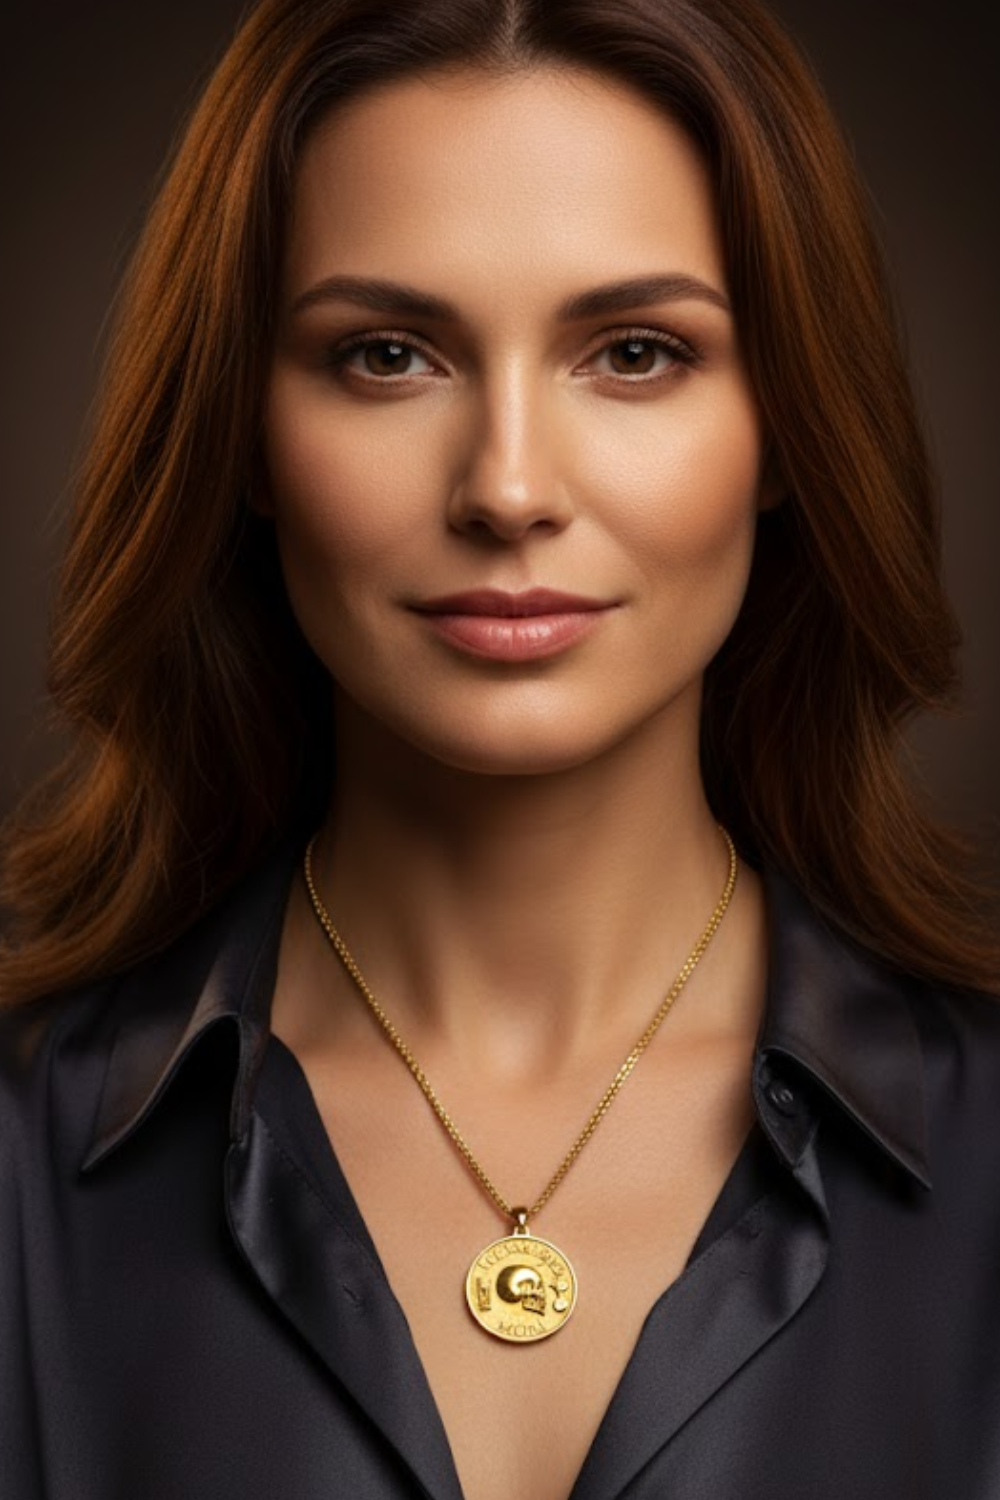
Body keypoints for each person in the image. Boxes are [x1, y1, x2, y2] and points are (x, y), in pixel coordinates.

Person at [1, 0, 998, 1496]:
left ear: (788, 428)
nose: (510, 487)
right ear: (246, 431)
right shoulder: (21, 1154)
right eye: (389, 355)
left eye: (636, 352)